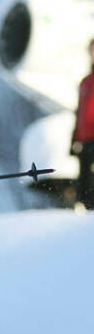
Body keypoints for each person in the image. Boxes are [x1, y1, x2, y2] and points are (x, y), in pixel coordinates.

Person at [73, 37, 94, 211]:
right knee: (84, 177)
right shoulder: (85, 81)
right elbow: (79, 111)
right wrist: (74, 138)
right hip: (85, 138)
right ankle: (86, 208)